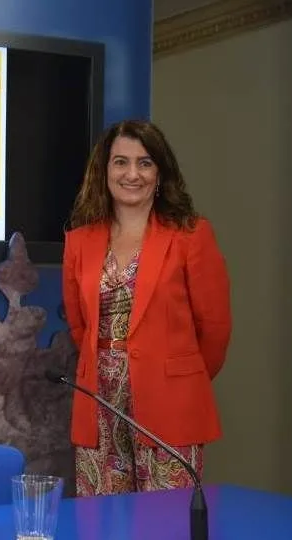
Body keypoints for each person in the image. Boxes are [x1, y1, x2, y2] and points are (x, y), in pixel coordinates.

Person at [61, 119, 231, 496]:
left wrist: (177, 376)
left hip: (171, 403)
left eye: (145, 162)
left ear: (161, 172)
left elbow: (215, 329)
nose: (132, 174)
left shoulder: (191, 235)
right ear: (104, 171)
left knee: (167, 524)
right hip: (98, 402)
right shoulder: (79, 240)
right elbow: (79, 325)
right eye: (121, 162)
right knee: (102, 523)